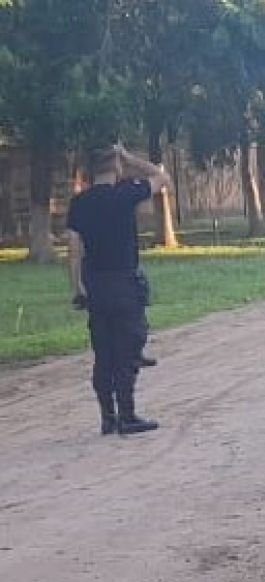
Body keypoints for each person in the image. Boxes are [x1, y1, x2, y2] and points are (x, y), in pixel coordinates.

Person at [67, 144, 172, 435]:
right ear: (116, 166)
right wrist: (130, 158)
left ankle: (107, 417)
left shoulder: (79, 203)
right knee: (128, 348)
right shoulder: (126, 194)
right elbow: (164, 179)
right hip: (124, 282)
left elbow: (74, 249)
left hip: (96, 284)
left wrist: (78, 287)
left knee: (104, 353)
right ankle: (127, 414)